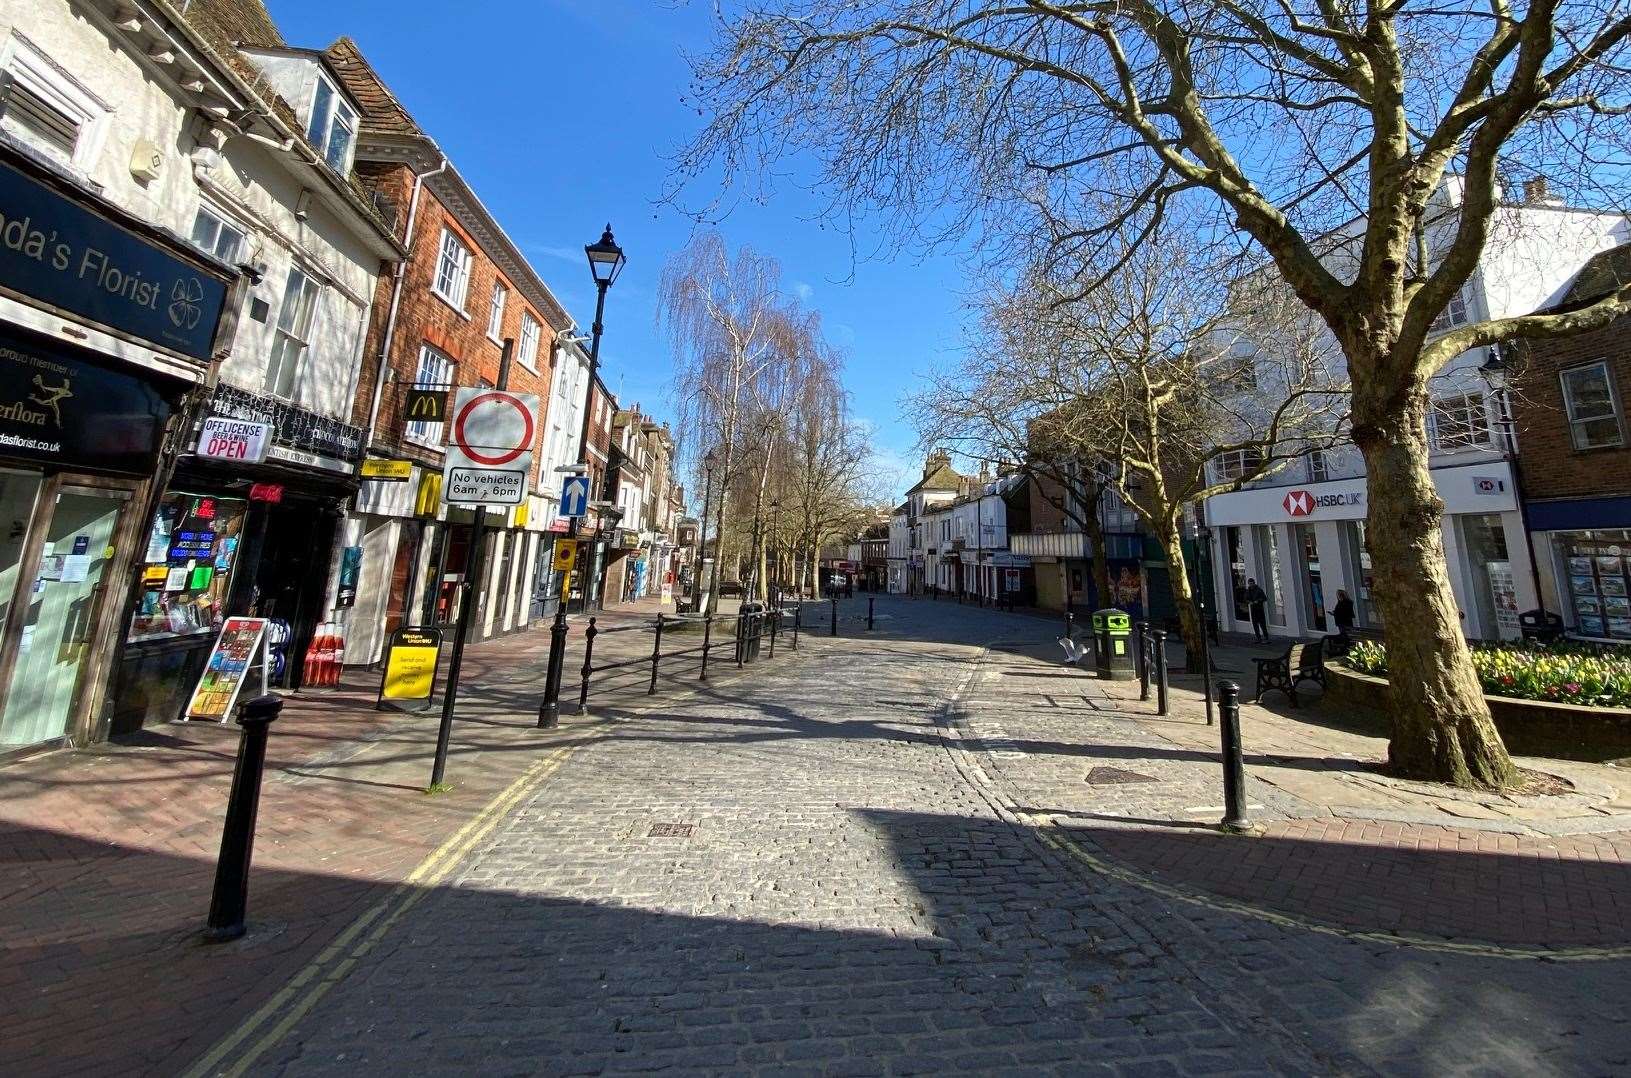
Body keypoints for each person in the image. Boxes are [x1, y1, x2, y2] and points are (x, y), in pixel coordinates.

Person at [1245, 577, 1269, 642]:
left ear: (1254, 583)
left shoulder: (1259, 590)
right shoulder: (1248, 591)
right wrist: (1249, 602)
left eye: (1252, 583)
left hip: (1259, 609)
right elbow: (1246, 599)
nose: (1251, 585)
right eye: (1250, 584)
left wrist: (1258, 601)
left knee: (1262, 624)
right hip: (1253, 609)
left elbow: (1264, 598)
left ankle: (1266, 636)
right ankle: (1258, 637)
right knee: (1255, 624)